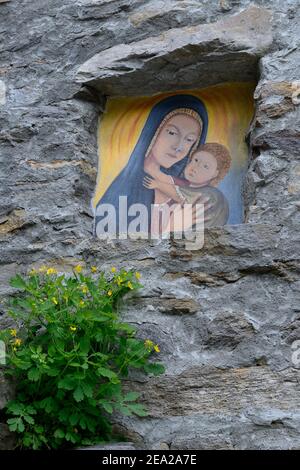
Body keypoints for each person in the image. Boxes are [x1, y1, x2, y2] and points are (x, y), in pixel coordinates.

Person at [94, 94, 209, 238]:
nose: (179, 147)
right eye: (172, 133)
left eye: (189, 139)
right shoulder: (122, 190)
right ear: (154, 131)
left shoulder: (185, 191)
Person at [143, 143, 232, 231]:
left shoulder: (211, 194)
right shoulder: (185, 185)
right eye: (196, 160)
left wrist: (158, 185)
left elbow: (178, 193)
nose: (195, 167)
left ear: (215, 174)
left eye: (205, 166)